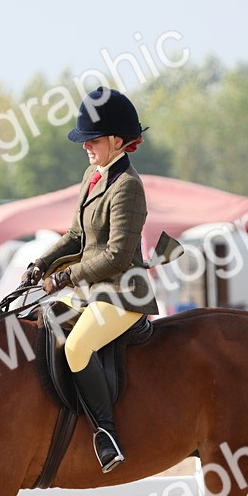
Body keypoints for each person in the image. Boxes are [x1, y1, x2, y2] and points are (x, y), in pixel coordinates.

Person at [24, 87, 158, 473]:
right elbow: (75, 236)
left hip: (122, 294)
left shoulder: (128, 187)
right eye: (85, 141)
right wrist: (41, 263)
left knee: (77, 346)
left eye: (93, 140)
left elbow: (116, 255)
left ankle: (106, 434)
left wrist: (66, 275)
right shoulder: (93, 176)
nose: (86, 147)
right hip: (89, 292)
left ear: (117, 141)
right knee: (43, 324)